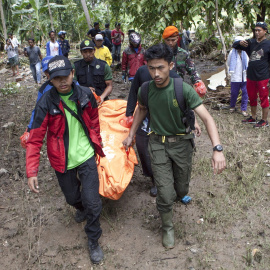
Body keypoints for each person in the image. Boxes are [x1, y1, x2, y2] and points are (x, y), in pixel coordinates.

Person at [123, 43, 226, 249]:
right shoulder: (146, 89)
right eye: (151, 68)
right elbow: (141, 110)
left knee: (181, 188)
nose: (155, 73)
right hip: (158, 144)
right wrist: (131, 133)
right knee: (165, 191)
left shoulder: (183, 89)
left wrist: (217, 149)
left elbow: (207, 118)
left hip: (181, 145)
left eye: (160, 67)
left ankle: (178, 194)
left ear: (170, 65)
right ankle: (167, 226)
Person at [26, 55, 105, 264]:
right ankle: (80, 207)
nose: (62, 81)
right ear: (49, 79)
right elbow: (35, 139)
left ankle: (93, 238)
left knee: (93, 201)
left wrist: (96, 139)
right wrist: (31, 171)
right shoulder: (46, 102)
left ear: (72, 74)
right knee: (72, 198)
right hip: (61, 159)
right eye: (56, 78)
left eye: (65, 76)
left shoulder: (86, 94)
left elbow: (94, 119)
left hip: (86, 155)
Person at [233, 21, 270, 128]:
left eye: (259, 30)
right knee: (252, 97)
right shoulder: (251, 43)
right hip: (251, 76)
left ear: (265, 31)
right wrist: (239, 43)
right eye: (255, 30)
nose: (257, 32)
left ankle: (264, 120)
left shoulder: (268, 44)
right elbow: (234, 46)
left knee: (264, 98)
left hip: (263, 76)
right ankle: (253, 118)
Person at [162, 26, 207, 97]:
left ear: (177, 38)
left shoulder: (183, 54)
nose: (170, 43)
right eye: (168, 40)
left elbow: (192, 71)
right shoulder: (159, 53)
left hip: (178, 88)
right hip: (162, 90)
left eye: (173, 40)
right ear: (164, 40)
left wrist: (198, 82)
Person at [74, 40, 113, 104]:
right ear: (81, 52)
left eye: (90, 51)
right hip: (82, 101)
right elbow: (72, 84)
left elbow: (109, 85)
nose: (88, 54)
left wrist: (102, 97)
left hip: (101, 101)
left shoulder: (104, 66)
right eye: (85, 52)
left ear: (94, 51)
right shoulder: (76, 66)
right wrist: (84, 89)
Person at [227, 37, 249, 116]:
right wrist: (230, 73)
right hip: (235, 77)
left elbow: (248, 63)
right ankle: (232, 106)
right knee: (234, 93)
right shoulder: (232, 53)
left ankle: (243, 109)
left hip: (244, 76)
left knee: (245, 93)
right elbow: (229, 63)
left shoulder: (245, 53)